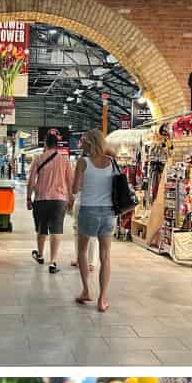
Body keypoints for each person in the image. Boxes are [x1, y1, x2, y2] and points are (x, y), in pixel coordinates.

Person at [70, 129, 119, 313]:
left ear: (88, 143)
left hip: (88, 210)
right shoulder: (112, 162)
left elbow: (75, 189)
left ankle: (86, 290)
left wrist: (84, 183)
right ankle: (103, 298)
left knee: (82, 252)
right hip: (108, 213)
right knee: (105, 256)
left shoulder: (83, 162)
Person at [27, 130, 74, 274]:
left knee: (41, 228)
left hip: (41, 199)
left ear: (45, 144)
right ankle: (53, 262)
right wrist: (71, 199)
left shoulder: (38, 159)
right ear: (58, 145)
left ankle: (40, 255)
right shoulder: (65, 160)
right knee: (56, 229)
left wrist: (28, 198)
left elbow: (31, 181)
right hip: (59, 200)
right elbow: (70, 182)